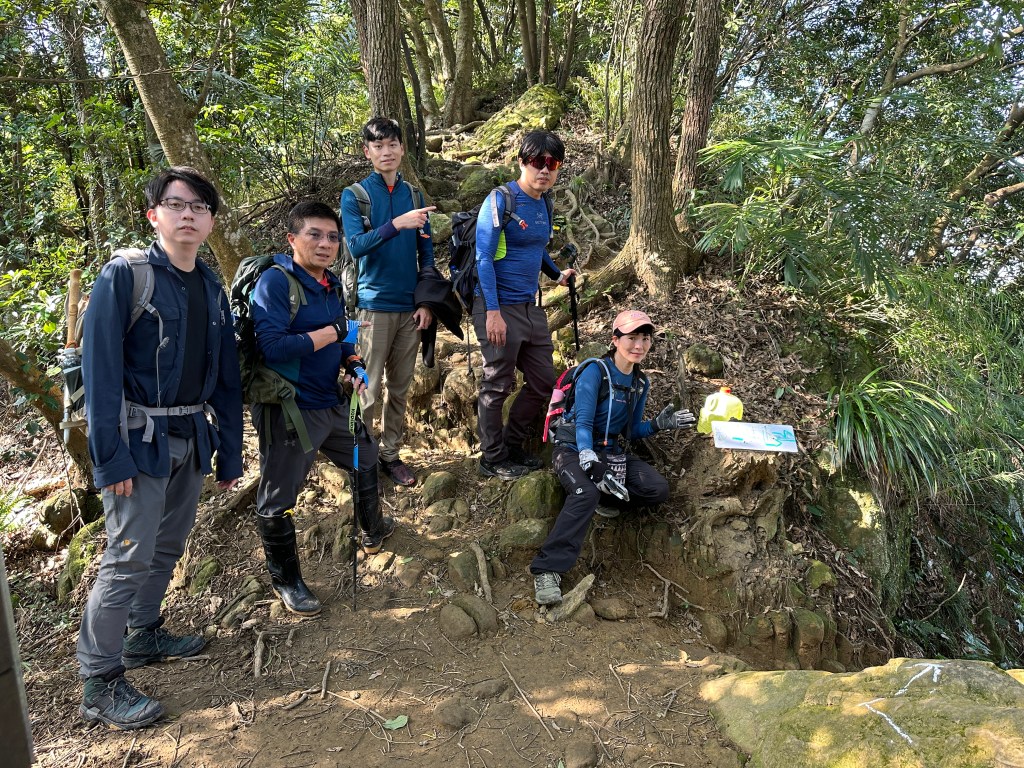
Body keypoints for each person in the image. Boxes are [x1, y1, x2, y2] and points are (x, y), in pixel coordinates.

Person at [78, 167, 243, 730]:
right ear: (154, 215)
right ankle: (99, 681)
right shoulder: (127, 276)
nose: (188, 214)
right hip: (136, 440)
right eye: (176, 204)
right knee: (127, 556)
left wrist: (230, 449)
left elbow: (225, 376)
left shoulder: (211, 286)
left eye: (199, 206)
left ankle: (144, 633)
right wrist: (109, 456)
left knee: (168, 545)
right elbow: (100, 371)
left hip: (191, 435)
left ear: (211, 220)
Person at [251, 201, 394, 617]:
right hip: (290, 410)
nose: (325, 243)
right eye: (314, 234)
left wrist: (356, 366)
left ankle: (373, 528)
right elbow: (272, 347)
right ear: (292, 239)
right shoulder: (275, 283)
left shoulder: (331, 283)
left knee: (365, 455)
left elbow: (346, 341)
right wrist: (333, 332)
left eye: (333, 237)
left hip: (332, 402)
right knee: (278, 497)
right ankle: (287, 581)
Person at [530, 310, 696, 605]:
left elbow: (630, 431)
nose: (639, 345)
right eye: (632, 338)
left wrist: (659, 424)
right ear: (615, 340)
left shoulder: (639, 383)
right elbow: (583, 422)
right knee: (585, 492)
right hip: (572, 450)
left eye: (645, 338)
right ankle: (546, 569)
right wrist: (588, 458)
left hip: (610, 453)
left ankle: (604, 498)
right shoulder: (595, 371)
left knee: (657, 488)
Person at [340, 117, 436, 487]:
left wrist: (426, 302)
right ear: (367, 152)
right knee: (366, 387)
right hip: (369, 308)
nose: (386, 152)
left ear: (402, 148)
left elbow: (427, 255)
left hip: (410, 309)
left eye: (392, 144)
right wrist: (397, 224)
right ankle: (360, 459)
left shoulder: (415, 196)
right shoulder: (356, 195)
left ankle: (391, 454)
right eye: (378, 146)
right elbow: (355, 246)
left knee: (400, 387)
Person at [474, 130, 575, 480]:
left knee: (544, 381)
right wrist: (492, 312)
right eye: (536, 161)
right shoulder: (501, 199)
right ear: (521, 162)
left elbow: (536, 247)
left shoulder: (545, 202)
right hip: (498, 305)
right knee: (497, 383)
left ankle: (512, 445)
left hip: (531, 307)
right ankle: (492, 457)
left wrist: (556, 274)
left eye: (552, 163)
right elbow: (483, 258)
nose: (544, 169)